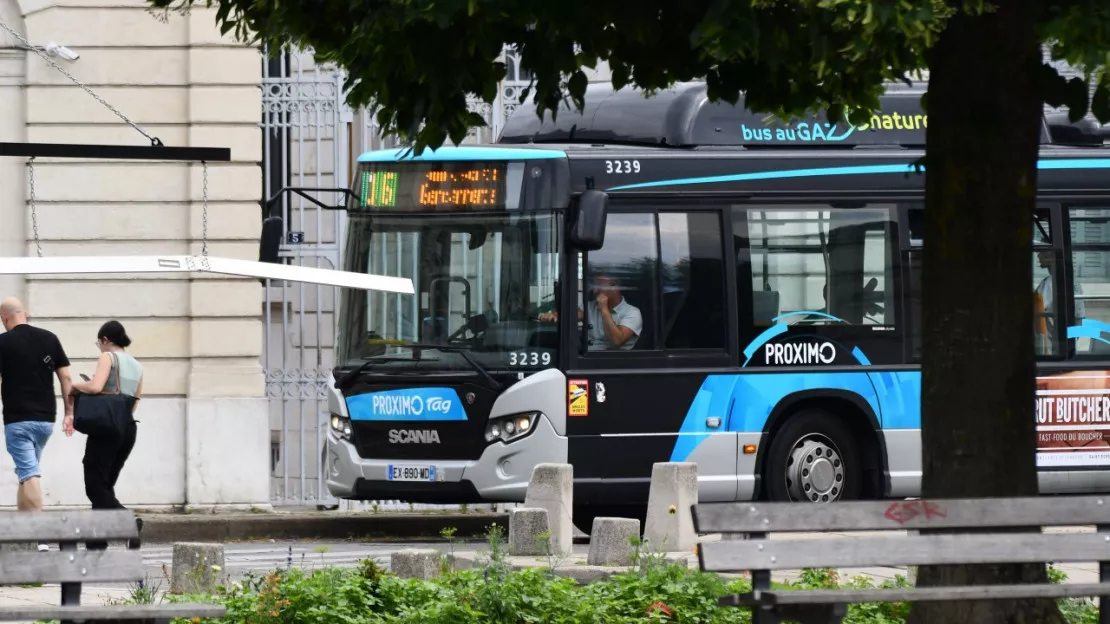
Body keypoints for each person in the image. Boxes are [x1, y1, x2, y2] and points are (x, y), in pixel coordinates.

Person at [0, 297, 73, 552]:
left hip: (17, 419)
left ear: (4, 318)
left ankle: (39, 536)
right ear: (25, 314)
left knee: (29, 473)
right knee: (25, 473)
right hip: (45, 420)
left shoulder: (2, 342)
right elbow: (66, 377)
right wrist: (69, 412)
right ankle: (24, 535)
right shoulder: (49, 338)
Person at [70, 320, 144, 550]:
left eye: (98, 343)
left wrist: (73, 385)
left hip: (106, 428)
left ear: (105, 340)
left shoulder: (108, 357)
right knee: (104, 484)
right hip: (128, 427)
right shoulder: (137, 365)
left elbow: (94, 387)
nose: (99, 347)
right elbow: (134, 403)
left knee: (94, 484)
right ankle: (97, 539)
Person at [539, 271, 643, 350]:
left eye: (599, 287)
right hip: (586, 355)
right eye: (594, 287)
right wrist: (555, 315)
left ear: (615, 287)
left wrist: (604, 310)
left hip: (613, 363)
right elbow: (574, 314)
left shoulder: (632, 313)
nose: (595, 290)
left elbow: (617, 340)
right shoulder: (590, 306)